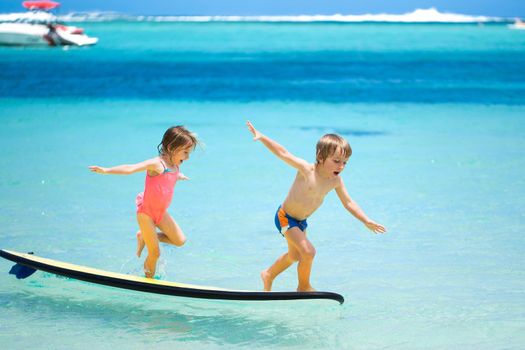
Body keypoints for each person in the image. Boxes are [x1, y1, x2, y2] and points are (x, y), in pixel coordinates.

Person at [246, 121, 386, 292]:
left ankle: (268, 274)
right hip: (285, 217)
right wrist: (261, 137)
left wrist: (366, 220)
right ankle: (303, 287)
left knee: (295, 256)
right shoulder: (307, 170)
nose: (341, 166)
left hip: (301, 222)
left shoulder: (335, 181)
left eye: (345, 162)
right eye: (336, 161)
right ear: (320, 157)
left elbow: (348, 202)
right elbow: (283, 153)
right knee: (309, 252)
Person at [89, 126, 199, 278]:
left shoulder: (175, 166)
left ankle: (144, 236)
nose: (187, 157)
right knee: (155, 253)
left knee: (180, 241)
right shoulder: (157, 164)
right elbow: (130, 168)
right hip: (146, 213)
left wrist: (179, 176)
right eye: (185, 152)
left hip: (160, 213)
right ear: (171, 147)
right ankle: (149, 281)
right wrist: (107, 170)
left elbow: (170, 176)